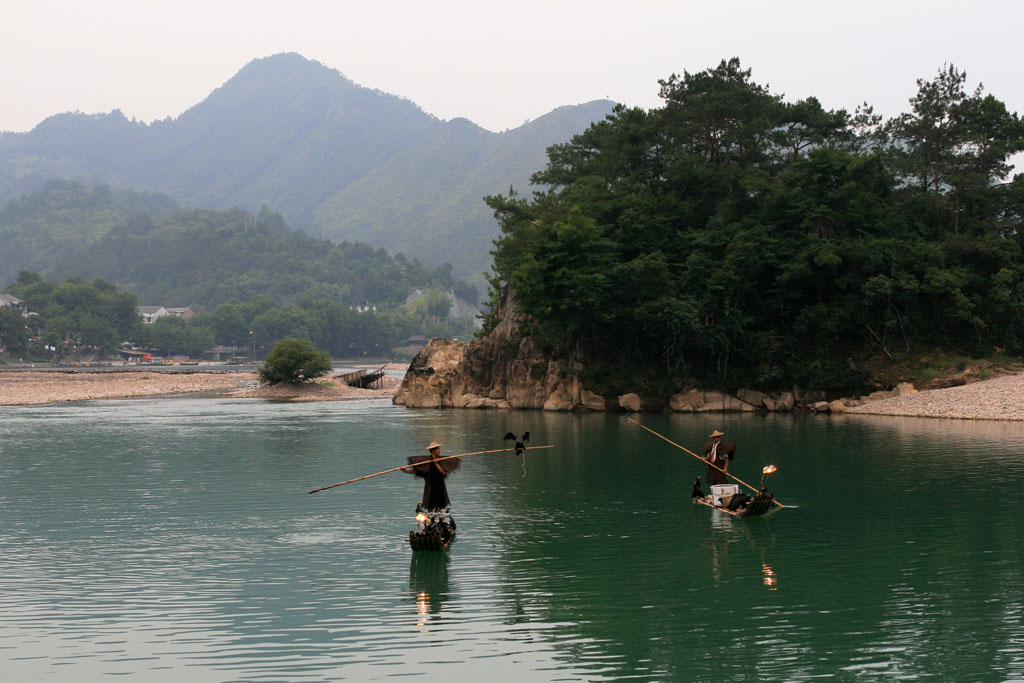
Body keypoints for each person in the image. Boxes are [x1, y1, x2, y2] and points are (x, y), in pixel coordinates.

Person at [402, 441, 452, 511]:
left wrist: (436, 463)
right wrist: (406, 471)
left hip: (440, 487)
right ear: (433, 451)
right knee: (430, 508)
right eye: (437, 449)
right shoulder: (426, 461)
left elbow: (444, 473)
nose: (439, 451)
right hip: (430, 487)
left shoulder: (441, 460)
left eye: (439, 449)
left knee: (439, 508)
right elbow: (418, 471)